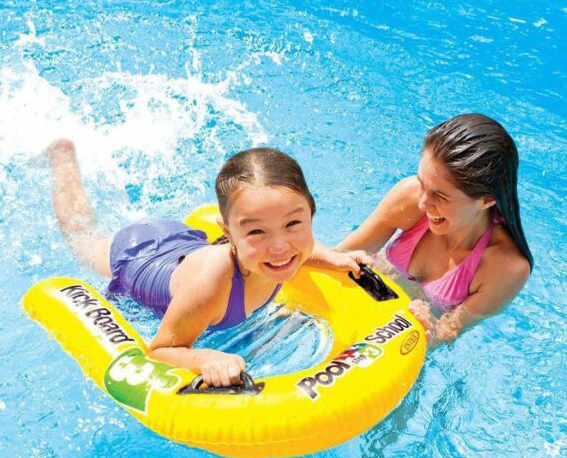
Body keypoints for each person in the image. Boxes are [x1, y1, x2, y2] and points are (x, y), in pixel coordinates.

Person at [44, 140, 368, 386]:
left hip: (182, 243)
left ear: (310, 213)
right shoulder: (212, 284)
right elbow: (159, 350)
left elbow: (300, 249)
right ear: (228, 232)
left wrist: (335, 258)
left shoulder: (283, 250)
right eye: (256, 231)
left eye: (293, 224)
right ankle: (62, 159)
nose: (280, 246)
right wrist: (205, 358)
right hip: (139, 256)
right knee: (83, 242)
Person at [338, 113, 533, 347]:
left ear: (486, 200)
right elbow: (340, 255)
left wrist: (431, 330)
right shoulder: (410, 196)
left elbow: (450, 331)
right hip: (365, 294)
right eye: (422, 183)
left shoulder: (506, 267)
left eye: (440, 196)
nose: (422, 204)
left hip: (401, 342)